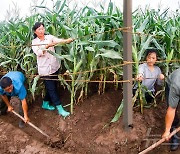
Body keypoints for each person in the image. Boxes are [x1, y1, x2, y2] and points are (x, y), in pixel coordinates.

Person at [32, 22, 73, 118]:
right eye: (39, 29)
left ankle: (45, 103)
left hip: (54, 67)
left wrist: (67, 40)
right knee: (52, 89)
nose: (41, 31)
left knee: (52, 87)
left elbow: (58, 40)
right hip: (45, 70)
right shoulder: (34, 42)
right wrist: (47, 46)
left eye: (42, 28)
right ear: (35, 31)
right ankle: (60, 109)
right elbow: (38, 53)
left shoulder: (49, 37)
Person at [162, 68, 180, 151]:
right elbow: (172, 109)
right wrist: (167, 131)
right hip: (171, 85)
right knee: (173, 109)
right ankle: (174, 130)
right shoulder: (177, 85)